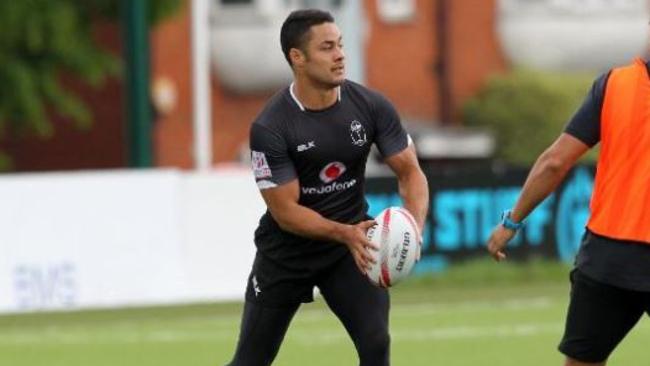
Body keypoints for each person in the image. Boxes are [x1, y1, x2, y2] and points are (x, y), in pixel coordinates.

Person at [226, 8, 429, 366]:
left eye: (340, 45)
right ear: (297, 58)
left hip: (349, 252)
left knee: (376, 342)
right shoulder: (271, 128)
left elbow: (410, 172)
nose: (340, 55)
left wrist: (414, 227)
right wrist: (345, 233)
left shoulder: (371, 106)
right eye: (327, 48)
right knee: (250, 362)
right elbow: (285, 212)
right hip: (286, 254)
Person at [486, 56, 650, 366]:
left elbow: (555, 162)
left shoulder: (615, 84)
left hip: (607, 257)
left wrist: (512, 221)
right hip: (609, 256)